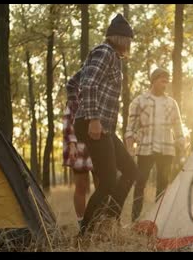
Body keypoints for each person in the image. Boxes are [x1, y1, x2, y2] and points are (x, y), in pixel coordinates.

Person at [67, 13, 139, 234]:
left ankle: (108, 219)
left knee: (130, 170)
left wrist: (77, 107)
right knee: (108, 180)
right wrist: (92, 118)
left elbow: (72, 84)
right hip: (94, 123)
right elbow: (88, 85)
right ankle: (86, 234)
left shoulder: (112, 57)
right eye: (129, 40)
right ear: (123, 39)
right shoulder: (104, 52)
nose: (130, 45)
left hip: (102, 125)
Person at [125, 67, 185, 222]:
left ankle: (158, 221)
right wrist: (130, 146)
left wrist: (181, 141)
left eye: (167, 81)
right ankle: (135, 220)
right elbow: (130, 127)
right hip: (145, 148)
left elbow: (178, 126)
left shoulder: (172, 103)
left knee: (163, 187)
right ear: (153, 81)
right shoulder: (139, 101)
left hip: (167, 149)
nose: (165, 83)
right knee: (140, 184)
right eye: (162, 80)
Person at [62, 99, 99, 228]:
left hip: (98, 145)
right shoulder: (74, 98)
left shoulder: (99, 93)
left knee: (102, 185)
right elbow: (67, 124)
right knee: (81, 185)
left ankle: (99, 219)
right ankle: (82, 223)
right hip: (78, 146)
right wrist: (72, 145)